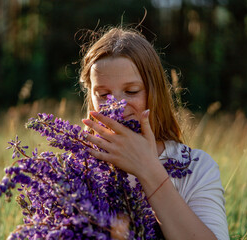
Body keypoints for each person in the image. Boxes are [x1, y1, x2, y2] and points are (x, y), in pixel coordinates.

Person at [79, 27, 229, 240]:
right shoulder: (78, 168)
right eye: (103, 94)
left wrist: (149, 170)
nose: (117, 107)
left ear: (155, 91)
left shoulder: (196, 167)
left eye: (132, 91)